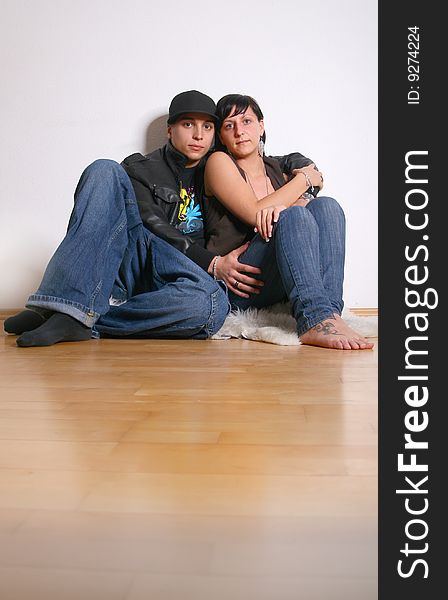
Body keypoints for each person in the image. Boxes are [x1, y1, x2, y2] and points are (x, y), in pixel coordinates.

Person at [4, 90, 230, 347]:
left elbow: (268, 162)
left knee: (209, 304)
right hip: (146, 253)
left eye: (208, 126)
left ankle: (78, 318)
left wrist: (289, 163)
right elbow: (150, 222)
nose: (199, 135)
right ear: (170, 130)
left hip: (184, 273)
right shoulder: (140, 168)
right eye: (188, 124)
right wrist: (211, 261)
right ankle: (63, 305)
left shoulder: (225, 168)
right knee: (104, 169)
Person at [203, 94, 374, 350]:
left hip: (275, 279)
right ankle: (314, 317)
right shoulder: (218, 163)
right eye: (229, 125)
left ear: (261, 126)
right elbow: (255, 212)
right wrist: (304, 179)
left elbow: (305, 206)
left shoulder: (276, 168)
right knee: (293, 214)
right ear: (221, 135)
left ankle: (330, 314)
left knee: (328, 206)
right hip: (240, 282)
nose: (239, 131)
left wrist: (294, 194)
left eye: (247, 121)